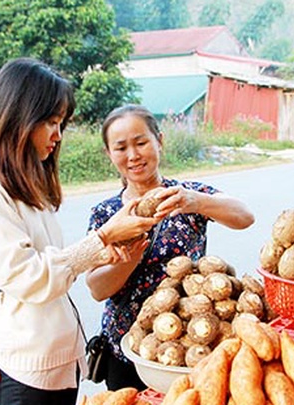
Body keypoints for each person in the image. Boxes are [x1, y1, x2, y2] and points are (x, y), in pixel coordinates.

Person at [0, 59, 159, 405]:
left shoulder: (28, 188)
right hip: (25, 371)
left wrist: (103, 253)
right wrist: (103, 237)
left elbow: (57, 265)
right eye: (50, 122)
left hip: (60, 365)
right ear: (19, 117)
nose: (58, 134)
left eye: (60, 123)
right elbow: (28, 276)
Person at [85, 104, 255, 390]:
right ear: (109, 154)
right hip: (127, 349)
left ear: (159, 141)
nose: (133, 155)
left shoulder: (186, 195)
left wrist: (195, 201)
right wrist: (130, 257)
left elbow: (245, 217)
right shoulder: (105, 214)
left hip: (190, 347)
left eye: (141, 143)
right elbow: (97, 289)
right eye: (121, 148)